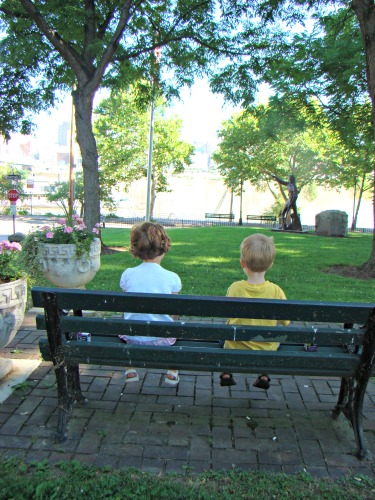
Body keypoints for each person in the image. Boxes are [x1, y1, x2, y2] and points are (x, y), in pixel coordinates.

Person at [220, 233, 290, 389]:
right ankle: (264, 375)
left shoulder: (235, 288)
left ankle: (226, 373)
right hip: (265, 346)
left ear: (242, 263)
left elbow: (226, 312)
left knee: (225, 339)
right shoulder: (276, 291)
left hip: (236, 344)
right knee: (275, 339)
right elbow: (286, 321)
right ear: (270, 264)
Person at [119, 222, 181, 386]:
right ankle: (172, 371)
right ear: (163, 248)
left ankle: (130, 369)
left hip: (132, 336)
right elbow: (174, 312)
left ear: (136, 250)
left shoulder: (128, 274)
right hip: (161, 339)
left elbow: (127, 303)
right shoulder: (172, 277)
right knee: (176, 328)